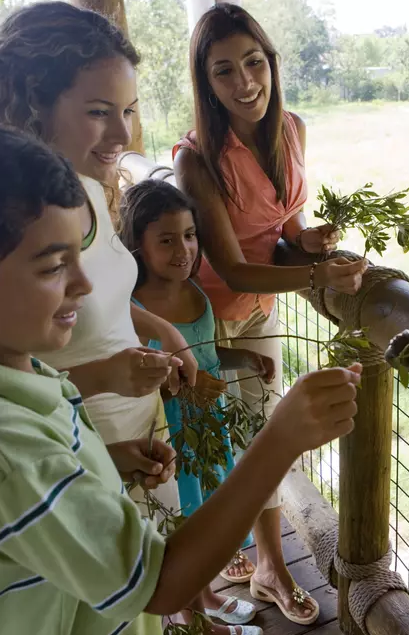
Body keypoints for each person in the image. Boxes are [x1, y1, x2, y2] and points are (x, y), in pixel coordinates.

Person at [0, 119, 361, 635]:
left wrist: (104, 462)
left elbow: (33, 481)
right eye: (52, 266)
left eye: (79, 257)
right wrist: (281, 439)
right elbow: (159, 585)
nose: (85, 285)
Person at [0, 0, 198, 514]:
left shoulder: (85, 186)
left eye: (127, 110)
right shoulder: (3, 229)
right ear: (32, 105)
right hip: (74, 448)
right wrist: (105, 376)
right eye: (99, 112)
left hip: (136, 428)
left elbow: (96, 297)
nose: (124, 135)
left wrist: (161, 330)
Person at [173, 3, 365, 625]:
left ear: (271, 63)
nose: (245, 82)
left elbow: (283, 229)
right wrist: (313, 275)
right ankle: (224, 577)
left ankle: (262, 565)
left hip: (264, 305)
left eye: (253, 63)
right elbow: (229, 268)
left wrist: (306, 244)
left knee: (261, 431)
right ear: (207, 83)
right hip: (208, 316)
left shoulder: (293, 129)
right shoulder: (195, 158)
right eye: (224, 72)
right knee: (218, 441)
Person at [122, 179, 272, 630]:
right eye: (165, 240)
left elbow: (204, 354)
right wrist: (185, 386)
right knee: (183, 518)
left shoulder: (195, 293)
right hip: (170, 433)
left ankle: (205, 595)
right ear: (137, 245)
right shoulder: (131, 307)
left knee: (206, 511)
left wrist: (244, 356)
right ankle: (190, 617)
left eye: (189, 235)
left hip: (209, 428)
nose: (182, 249)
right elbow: (145, 377)